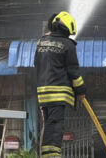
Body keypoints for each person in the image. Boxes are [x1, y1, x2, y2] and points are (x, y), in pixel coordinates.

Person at [34, 11, 86, 158]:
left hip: (43, 93)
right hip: (58, 94)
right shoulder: (68, 45)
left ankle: (46, 154)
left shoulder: (41, 42)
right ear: (67, 30)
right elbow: (73, 72)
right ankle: (53, 155)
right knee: (56, 125)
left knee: (48, 124)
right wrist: (81, 90)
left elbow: (36, 64)